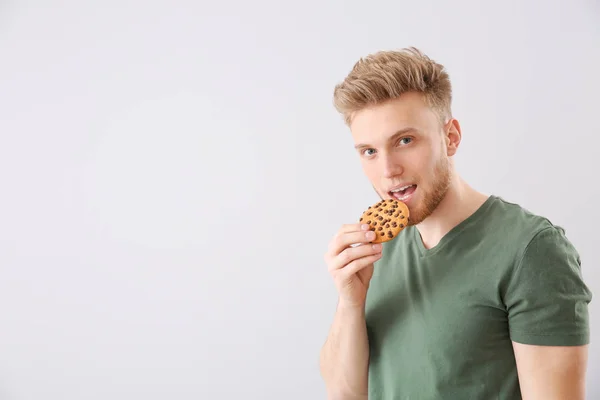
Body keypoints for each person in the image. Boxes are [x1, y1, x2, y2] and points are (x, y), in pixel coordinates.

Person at [319, 47, 593, 400]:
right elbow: (344, 393)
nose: (388, 170)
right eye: (369, 151)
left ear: (451, 137)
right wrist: (350, 302)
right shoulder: (373, 250)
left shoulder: (530, 250)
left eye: (405, 141)